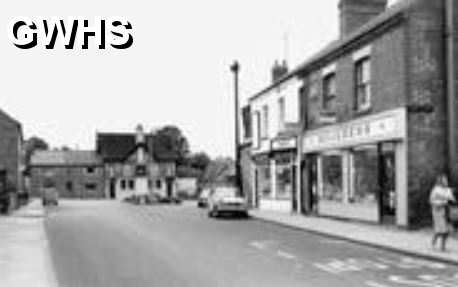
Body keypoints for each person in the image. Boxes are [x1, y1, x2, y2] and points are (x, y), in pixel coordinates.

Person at [430, 174, 456, 251]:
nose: (446, 181)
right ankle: (435, 240)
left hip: (447, 212)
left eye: (446, 180)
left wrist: (452, 200)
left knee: (447, 230)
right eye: (444, 180)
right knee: (441, 230)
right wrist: (442, 202)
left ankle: (442, 246)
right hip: (438, 212)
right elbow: (431, 200)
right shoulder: (436, 189)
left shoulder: (448, 190)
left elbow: (452, 199)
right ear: (440, 181)